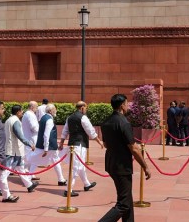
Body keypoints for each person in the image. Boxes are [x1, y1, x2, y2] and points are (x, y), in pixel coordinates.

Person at [98, 94, 151, 222]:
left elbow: (105, 144)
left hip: (111, 163)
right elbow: (133, 148)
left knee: (126, 198)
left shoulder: (106, 122)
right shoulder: (124, 122)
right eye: (127, 103)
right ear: (122, 105)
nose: (128, 106)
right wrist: (145, 166)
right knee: (123, 204)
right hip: (122, 166)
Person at [59, 101, 104, 197]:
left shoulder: (69, 117)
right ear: (82, 107)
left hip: (72, 144)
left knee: (80, 166)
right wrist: (99, 141)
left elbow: (65, 131)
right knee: (75, 167)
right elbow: (91, 131)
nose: (86, 109)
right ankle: (68, 190)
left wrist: (61, 143)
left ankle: (86, 184)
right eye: (86, 108)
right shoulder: (83, 117)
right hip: (79, 145)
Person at [0, 105, 39, 203]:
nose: (22, 113)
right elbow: (20, 136)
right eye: (21, 111)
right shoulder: (15, 121)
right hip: (13, 149)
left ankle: (29, 185)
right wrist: (30, 144)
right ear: (18, 112)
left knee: (19, 167)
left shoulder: (9, 120)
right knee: (7, 171)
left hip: (13, 149)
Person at [22, 101, 40, 180]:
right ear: (32, 107)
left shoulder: (27, 114)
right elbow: (34, 128)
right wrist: (40, 129)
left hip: (28, 137)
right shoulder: (31, 115)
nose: (37, 108)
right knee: (31, 157)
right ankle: (28, 173)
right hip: (31, 138)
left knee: (29, 156)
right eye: (36, 107)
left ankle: (30, 173)